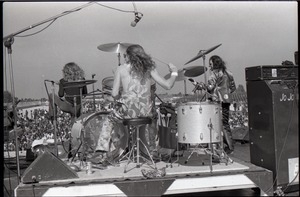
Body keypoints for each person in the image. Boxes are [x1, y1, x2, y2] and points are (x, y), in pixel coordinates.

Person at [110, 44, 178, 159]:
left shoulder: (121, 69)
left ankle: (115, 149)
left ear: (129, 56)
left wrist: (123, 98)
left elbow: (114, 94)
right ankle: (145, 153)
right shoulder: (149, 69)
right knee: (140, 125)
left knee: (111, 117)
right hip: (146, 113)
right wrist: (174, 72)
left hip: (129, 113)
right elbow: (168, 85)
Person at [206, 55, 236, 154]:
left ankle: (225, 148)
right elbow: (233, 88)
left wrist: (203, 86)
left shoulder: (214, 74)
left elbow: (210, 88)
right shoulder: (229, 73)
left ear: (214, 64)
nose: (209, 67)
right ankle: (230, 146)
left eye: (210, 64)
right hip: (226, 101)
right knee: (225, 124)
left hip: (217, 101)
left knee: (217, 124)